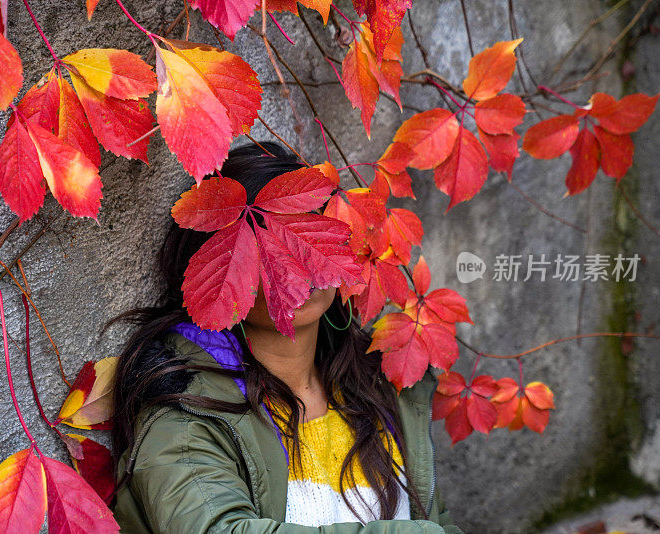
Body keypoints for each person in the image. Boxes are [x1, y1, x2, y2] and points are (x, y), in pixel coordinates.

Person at [108, 142, 464, 533]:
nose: (299, 265)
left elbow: (436, 517)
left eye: (307, 233)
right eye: (268, 244)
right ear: (221, 267)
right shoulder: (188, 409)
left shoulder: (380, 383)